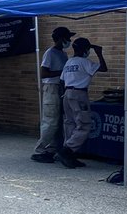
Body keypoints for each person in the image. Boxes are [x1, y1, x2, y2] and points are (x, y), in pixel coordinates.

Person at [58, 37, 108, 168]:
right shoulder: (84, 62)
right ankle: (67, 150)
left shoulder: (69, 62)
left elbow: (62, 80)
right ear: (86, 50)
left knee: (70, 123)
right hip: (79, 94)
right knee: (84, 124)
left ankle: (69, 154)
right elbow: (103, 68)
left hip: (67, 93)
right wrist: (99, 53)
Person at [31, 27, 73, 163]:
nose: (69, 41)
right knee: (50, 121)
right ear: (61, 39)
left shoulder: (63, 54)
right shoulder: (50, 53)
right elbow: (44, 73)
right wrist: (61, 72)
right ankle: (39, 150)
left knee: (59, 122)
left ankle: (51, 149)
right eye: (67, 38)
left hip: (61, 88)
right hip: (51, 88)